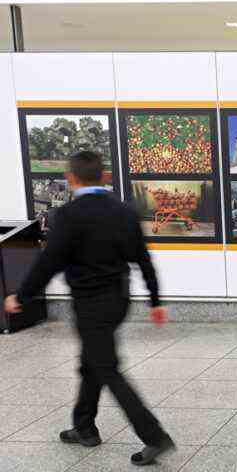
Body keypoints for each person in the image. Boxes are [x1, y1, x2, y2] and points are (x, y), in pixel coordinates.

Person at [3, 151, 175, 467]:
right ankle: (84, 427)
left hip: (91, 304)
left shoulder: (69, 215)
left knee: (106, 368)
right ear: (104, 176)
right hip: (118, 299)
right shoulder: (123, 211)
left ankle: (155, 437)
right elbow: (143, 257)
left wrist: (21, 295)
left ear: (71, 179)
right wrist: (155, 300)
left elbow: (48, 261)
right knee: (91, 363)